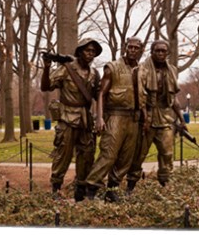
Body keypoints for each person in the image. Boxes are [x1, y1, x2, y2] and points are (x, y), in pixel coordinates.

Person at [85, 37, 147, 202]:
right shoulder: (112, 67)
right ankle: (90, 189)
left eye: (136, 48)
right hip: (115, 116)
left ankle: (112, 190)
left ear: (141, 50)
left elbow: (143, 97)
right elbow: (101, 94)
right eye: (130, 47)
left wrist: (145, 119)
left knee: (126, 158)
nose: (133, 50)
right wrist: (99, 118)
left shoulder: (142, 71)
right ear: (125, 48)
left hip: (133, 119)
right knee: (109, 154)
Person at [40, 38, 102, 202]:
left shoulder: (95, 73)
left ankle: (80, 191)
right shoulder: (66, 69)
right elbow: (46, 87)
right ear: (80, 51)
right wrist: (46, 68)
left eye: (93, 52)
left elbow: (99, 96)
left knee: (87, 155)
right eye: (87, 50)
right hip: (67, 117)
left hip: (85, 120)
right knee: (63, 155)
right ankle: (56, 190)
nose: (90, 54)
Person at [125, 40, 186, 195]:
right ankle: (130, 186)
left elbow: (173, 100)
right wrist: (144, 118)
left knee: (167, 153)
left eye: (163, 51)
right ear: (151, 52)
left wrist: (182, 119)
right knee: (139, 154)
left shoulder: (171, 70)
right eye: (157, 51)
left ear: (167, 53)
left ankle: (165, 185)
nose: (160, 54)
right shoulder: (142, 70)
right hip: (147, 117)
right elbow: (139, 97)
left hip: (165, 117)